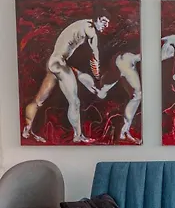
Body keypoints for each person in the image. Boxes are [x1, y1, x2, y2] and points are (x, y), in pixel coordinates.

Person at [22, 13, 110, 143]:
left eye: (107, 22)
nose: (106, 25)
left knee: (39, 101)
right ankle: (78, 136)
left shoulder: (82, 24)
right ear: (97, 18)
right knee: (75, 102)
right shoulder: (90, 29)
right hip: (59, 63)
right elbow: (94, 56)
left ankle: (27, 129)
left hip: (54, 62)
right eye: (104, 21)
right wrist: (97, 75)